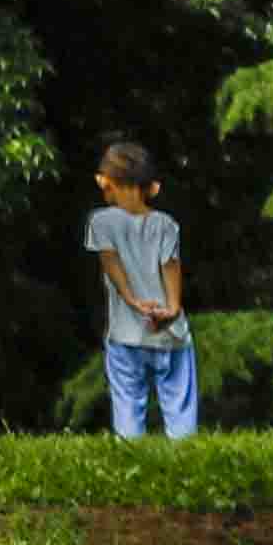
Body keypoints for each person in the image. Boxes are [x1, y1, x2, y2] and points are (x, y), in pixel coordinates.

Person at [89, 140, 199, 442]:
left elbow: (110, 263)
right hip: (169, 330)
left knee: (127, 402)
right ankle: (186, 457)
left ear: (109, 183)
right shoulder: (166, 224)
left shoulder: (101, 222)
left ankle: (129, 458)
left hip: (125, 332)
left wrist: (131, 300)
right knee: (179, 403)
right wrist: (173, 308)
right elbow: (171, 266)